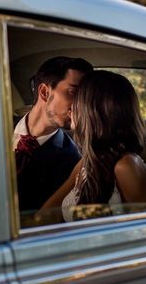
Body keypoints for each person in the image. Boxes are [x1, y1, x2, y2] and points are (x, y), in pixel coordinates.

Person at [41, 70, 146, 222]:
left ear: (95, 111)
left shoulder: (127, 166)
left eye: (78, 101)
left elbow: (143, 231)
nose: (71, 108)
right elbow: (47, 212)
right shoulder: (86, 163)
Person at [14, 56, 93, 212]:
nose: (80, 105)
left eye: (83, 98)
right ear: (44, 92)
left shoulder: (71, 159)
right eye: (73, 93)